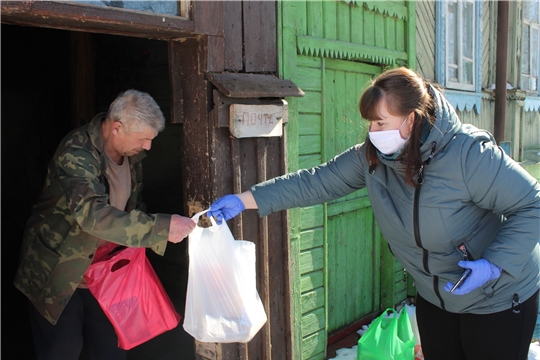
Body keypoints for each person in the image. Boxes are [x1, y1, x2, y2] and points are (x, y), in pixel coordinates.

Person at [207, 67, 540, 360]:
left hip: (497, 298)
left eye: (382, 122)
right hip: (436, 296)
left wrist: (495, 263)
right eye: (371, 123)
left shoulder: (467, 156)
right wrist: (245, 200)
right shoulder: (374, 159)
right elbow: (315, 183)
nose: (374, 131)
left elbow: (533, 202)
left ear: (412, 118)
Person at [14, 89, 196, 360]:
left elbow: (134, 204)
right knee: (62, 349)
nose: (148, 146)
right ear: (117, 128)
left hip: (106, 271)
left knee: (112, 348)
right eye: (143, 138)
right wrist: (161, 228)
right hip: (60, 270)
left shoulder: (131, 156)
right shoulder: (76, 151)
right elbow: (92, 216)